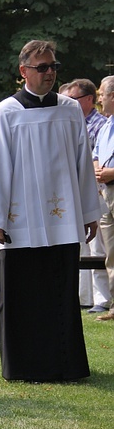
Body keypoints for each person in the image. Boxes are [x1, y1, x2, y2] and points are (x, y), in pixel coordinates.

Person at [0, 40, 101, 381]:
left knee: (59, 293)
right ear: (23, 71)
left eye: (54, 66)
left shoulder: (70, 109)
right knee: (20, 296)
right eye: (42, 67)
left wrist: (89, 210)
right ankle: (23, 365)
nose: (50, 73)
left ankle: (64, 363)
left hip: (63, 218)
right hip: (20, 222)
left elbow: (82, 165)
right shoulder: (4, 112)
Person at [61, 79, 110, 313]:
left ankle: (102, 297)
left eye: (74, 99)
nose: (69, 103)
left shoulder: (100, 123)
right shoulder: (72, 121)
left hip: (100, 189)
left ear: (88, 99)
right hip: (78, 188)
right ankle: (84, 296)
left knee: (99, 248)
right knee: (83, 246)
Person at [93, 76, 114, 322]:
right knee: (111, 253)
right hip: (106, 194)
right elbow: (96, 152)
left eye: (102, 94)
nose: (99, 99)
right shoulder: (107, 125)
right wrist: (99, 169)